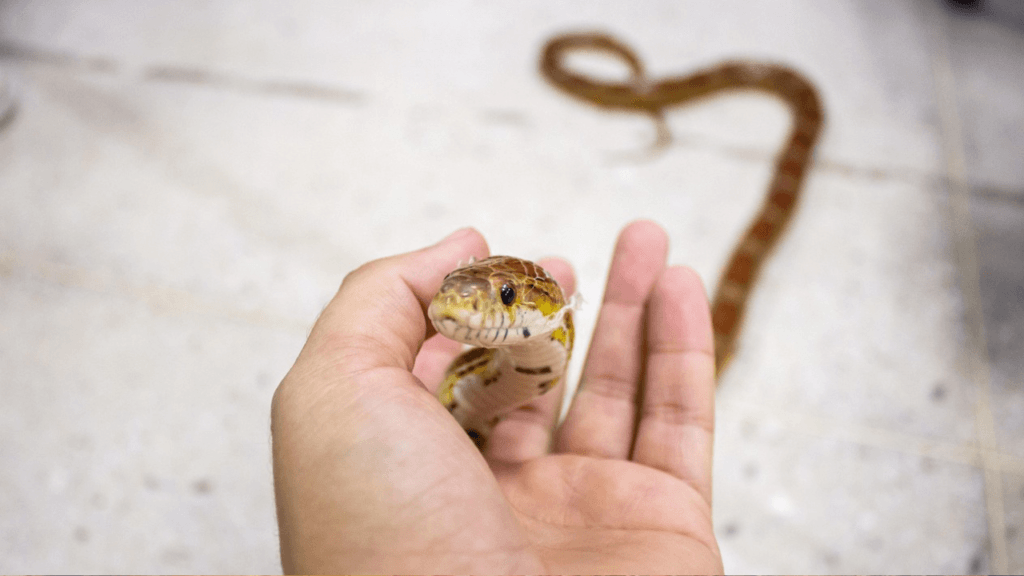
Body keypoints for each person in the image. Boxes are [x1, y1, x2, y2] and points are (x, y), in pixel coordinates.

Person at [271, 220, 723, 574]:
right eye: (452, 288)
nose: (459, 305)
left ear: (550, 307)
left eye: (505, 296)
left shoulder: (548, 321)